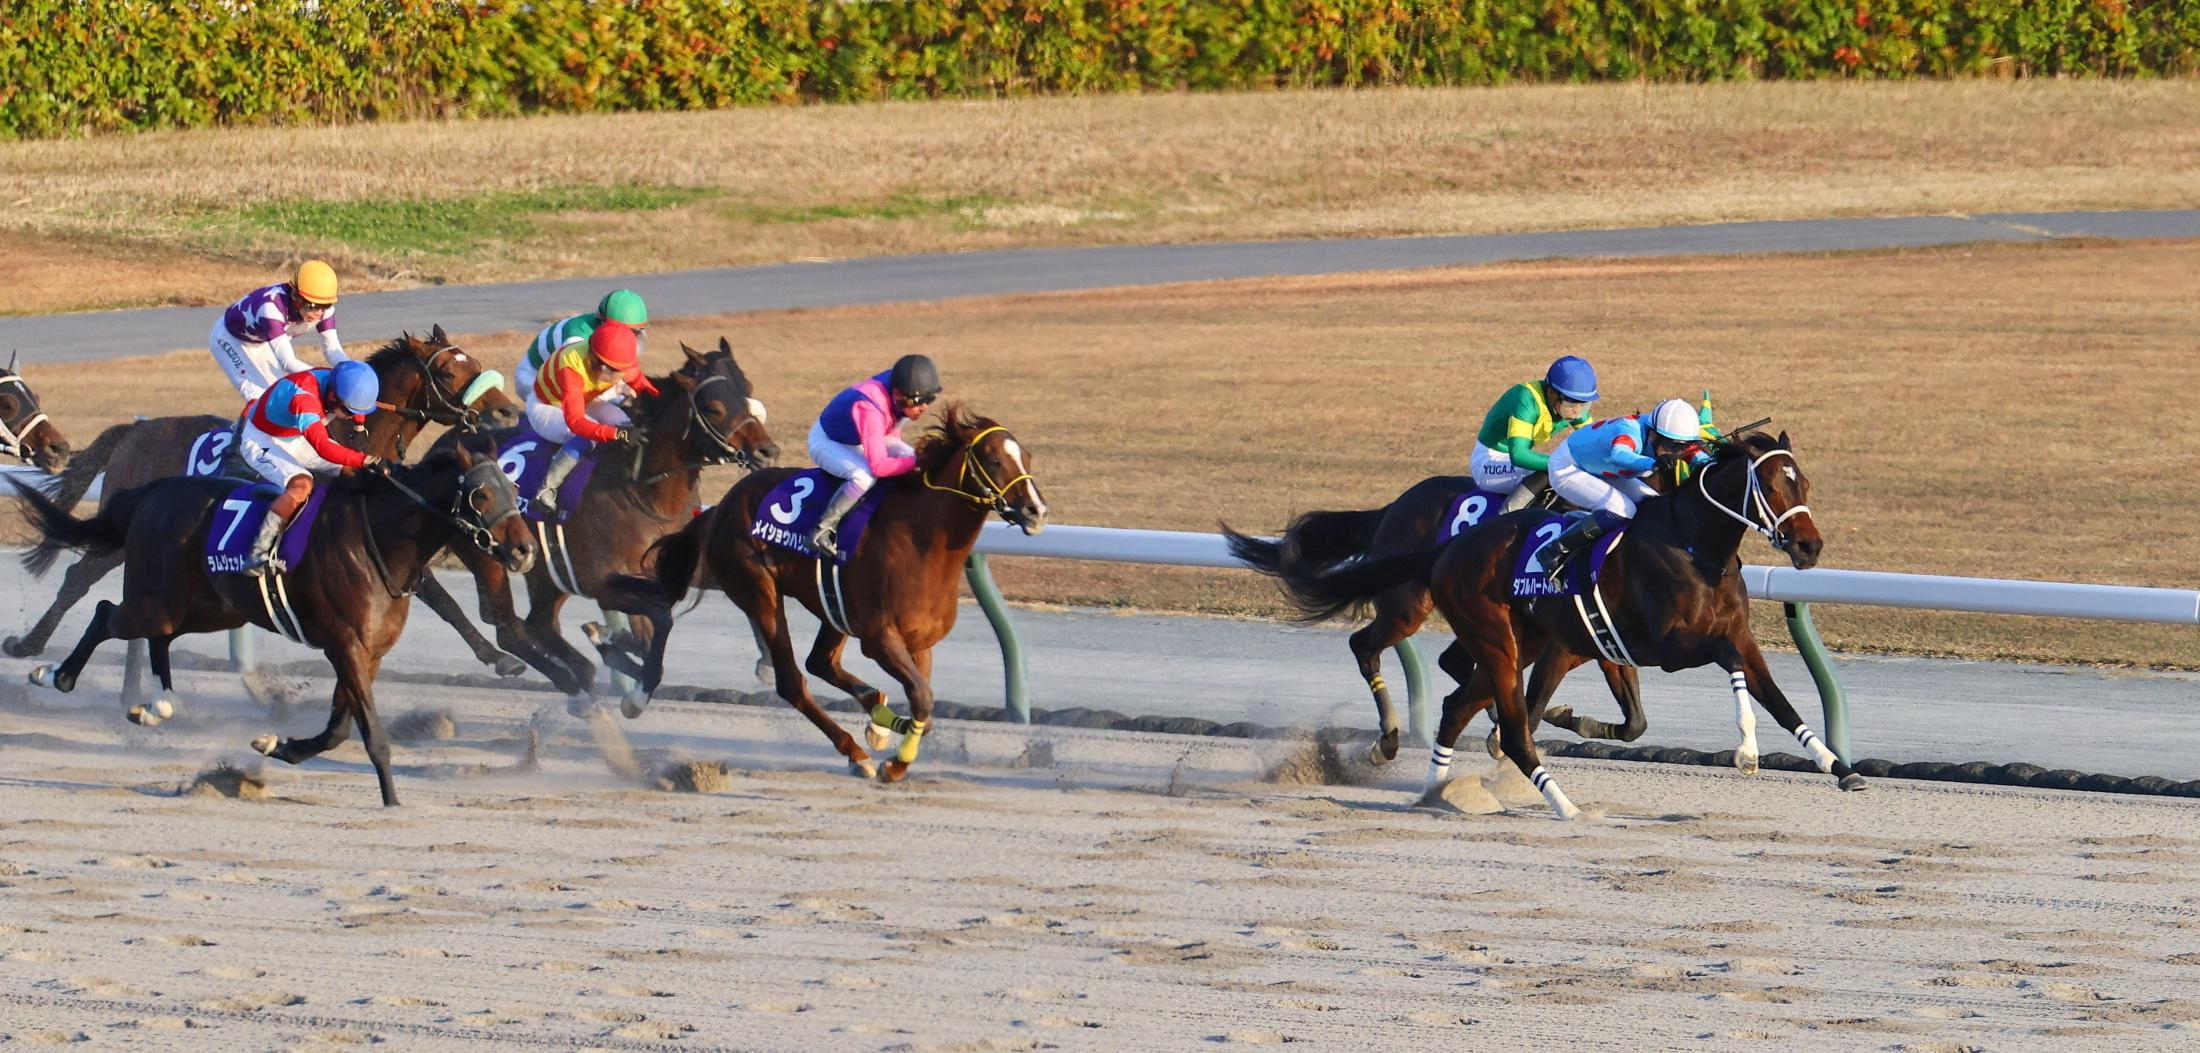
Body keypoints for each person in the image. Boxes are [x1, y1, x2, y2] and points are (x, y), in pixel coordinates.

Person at [1538, 396, 1716, 584]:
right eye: (1672, 446)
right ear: (1654, 434)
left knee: (1653, 504)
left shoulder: (1666, 436)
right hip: (1568, 467)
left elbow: (1695, 454)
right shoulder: (1630, 430)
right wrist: (1653, 462)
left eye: (1684, 446)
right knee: (1623, 510)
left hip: (1601, 469)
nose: (1677, 452)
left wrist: (1713, 464)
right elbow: (1619, 455)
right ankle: (1553, 551)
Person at [237, 361, 384, 576]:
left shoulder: (338, 382)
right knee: (301, 484)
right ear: (333, 396)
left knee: (354, 471)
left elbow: (359, 403)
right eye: (348, 411)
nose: (350, 416)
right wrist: (366, 460)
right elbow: (323, 447)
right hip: (261, 439)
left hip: (293, 435)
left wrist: (360, 426)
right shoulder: (304, 399)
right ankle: (258, 552)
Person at [806, 354, 941, 559]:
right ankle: (821, 529)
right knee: (864, 476)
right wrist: (918, 461)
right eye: (918, 401)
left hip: (862, 434)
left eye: (929, 399)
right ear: (897, 394)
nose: (924, 407)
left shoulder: (902, 390)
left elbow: (893, 430)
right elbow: (879, 466)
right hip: (828, 442)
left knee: (909, 455)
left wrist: (914, 459)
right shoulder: (869, 407)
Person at [526, 321, 658, 515]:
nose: (605, 373)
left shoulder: (624, 360)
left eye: (614, 370)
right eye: (600, 366)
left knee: (626, 423)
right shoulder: (571, 369)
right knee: (589, 435)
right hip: (547, 405)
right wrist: (617, 434)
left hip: (585, 398)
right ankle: (546, 490)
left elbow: (645, 387)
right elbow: (577, 422)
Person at [1471, 355, 1598, 513]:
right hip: (1489, 462)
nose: (1577, 411)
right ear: (1551, 392)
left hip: (1511, 464)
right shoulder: (1526, 400)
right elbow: (1519, 455)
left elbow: (1596, 444)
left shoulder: (1573, 405)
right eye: (1571, 403)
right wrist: (1561, 462)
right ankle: (1502, 520)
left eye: (1584, 404)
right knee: (1552, 470)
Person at [212, 260, 350, 402]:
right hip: (230, 338)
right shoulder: (271, 308)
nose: (319, 313)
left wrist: (352, 372)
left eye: (325, 305)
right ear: (296, 297)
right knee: (258, 397)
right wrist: (328, 379)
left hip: (262, 341)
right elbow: (288, 363)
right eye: (312, 305)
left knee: (281, 396)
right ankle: (246, 424)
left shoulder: (324, 311)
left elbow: (332, 349)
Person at [513, 289, 650, 398]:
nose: (630, 338)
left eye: (635, 332)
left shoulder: (633, 336)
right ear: (603, 322)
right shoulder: (578, 337)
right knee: (602, 400)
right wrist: (617, 390)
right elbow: (576, 381)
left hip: (563, 374)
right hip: (532, 376)